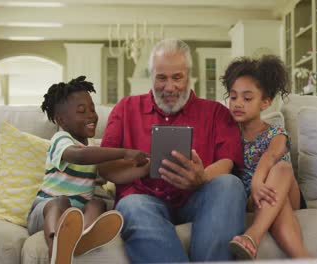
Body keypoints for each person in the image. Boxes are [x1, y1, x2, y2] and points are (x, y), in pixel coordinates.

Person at [98, 38, 246, 262]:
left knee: (230, 184)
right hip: (143, 199)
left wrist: (202, 177)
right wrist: (148, 167)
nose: (169, 87)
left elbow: (227, 162)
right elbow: (106, 168)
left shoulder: (216, 112)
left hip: (197, 197)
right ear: (152, 76)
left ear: (188, 75)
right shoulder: (125, 108)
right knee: (131, 204)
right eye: (161, 78)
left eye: (177, 77)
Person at [27, 76, 149, 264]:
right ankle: (56, 246)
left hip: (77, 218)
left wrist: (149, 167)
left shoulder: (92, 148)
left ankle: (83, 238)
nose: (91, 115)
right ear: (62, 120)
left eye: (92, 109)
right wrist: (124, 152)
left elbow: (115, 173)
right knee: (60, 202)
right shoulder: (61, 139)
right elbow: (79, 156)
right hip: (45, 211)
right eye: (82, 111)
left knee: (98, 205)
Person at [221, 56, 311, 259]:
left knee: (283, 168)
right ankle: (306, 259)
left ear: (265, 102)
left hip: (284, 191)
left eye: (247, 98)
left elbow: (271, 156)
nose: (238, 104)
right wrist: (254, 189)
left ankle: (253, 235)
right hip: (253, 199)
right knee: (277, 206)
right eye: (233, 97)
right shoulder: (228, 134)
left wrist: (257, 182)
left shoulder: (276, 133)